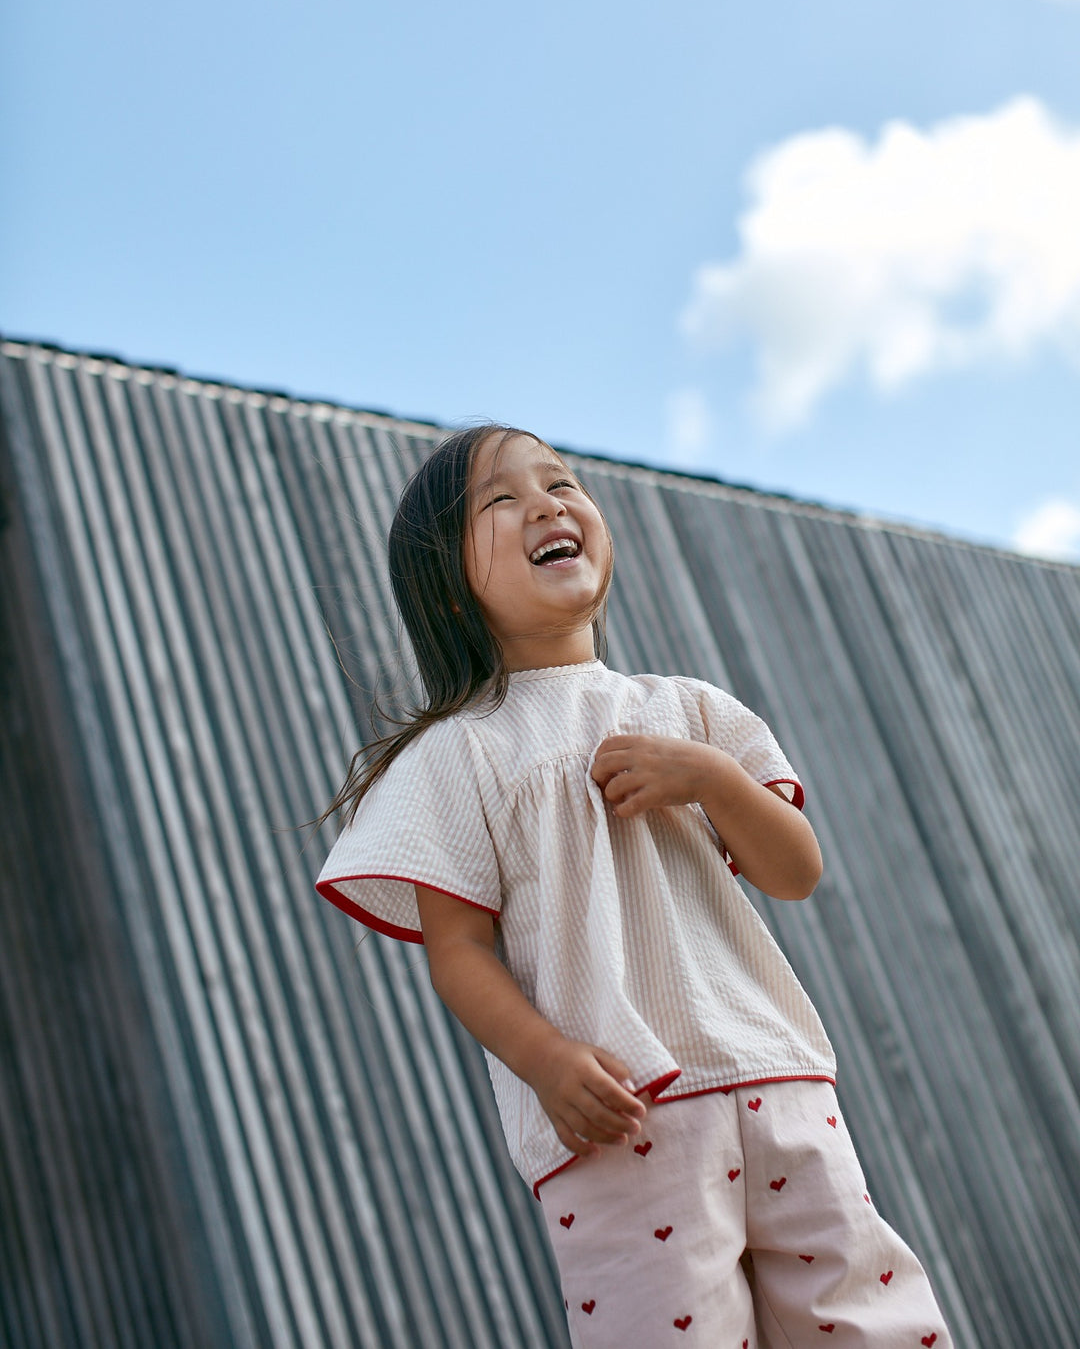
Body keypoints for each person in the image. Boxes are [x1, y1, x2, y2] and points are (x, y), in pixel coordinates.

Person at [317, 425, 953, 1348]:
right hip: (620, 1112)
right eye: (499, 500)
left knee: (866, 1317)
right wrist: (543, 1060)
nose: (545, 503)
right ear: (447, 593)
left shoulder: (690, 711)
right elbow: (457, 952)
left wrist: (712, 779)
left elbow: (795, 870)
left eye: (561, 483)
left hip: (777, 1073)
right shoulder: (461, 751)